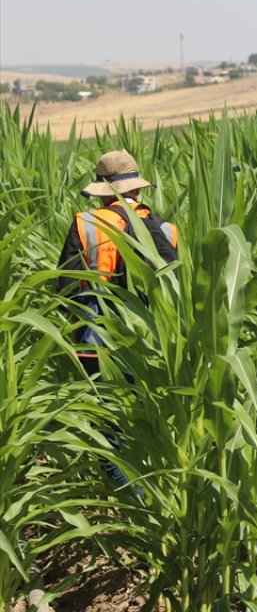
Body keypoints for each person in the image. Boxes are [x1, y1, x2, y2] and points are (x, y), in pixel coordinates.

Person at [56, 149, 179, 485]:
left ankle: (132, 497)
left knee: (108, 429)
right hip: (156, 346)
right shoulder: (167, 231)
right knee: (152, 425)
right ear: (137, 190)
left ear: (103, 191)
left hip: (100, 343)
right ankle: (158, 494)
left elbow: (65, 288)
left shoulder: (88, 224)